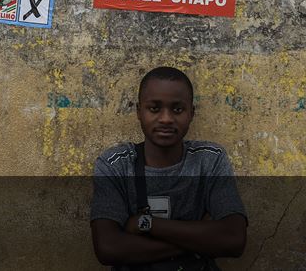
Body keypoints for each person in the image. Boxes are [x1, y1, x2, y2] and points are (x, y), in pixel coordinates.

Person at [91, 67, 247, 270]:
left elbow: (234, 240)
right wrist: (200, 239)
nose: (166, 119)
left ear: (192, 113)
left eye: (177, 109)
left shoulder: (209, 160)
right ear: (139, 111)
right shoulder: (115, 164)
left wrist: (144, 223)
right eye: (154, 109)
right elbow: (108, 248)